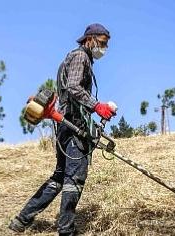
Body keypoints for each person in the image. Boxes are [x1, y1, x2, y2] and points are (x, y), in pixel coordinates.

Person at [9, 23, 117, 236]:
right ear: (89, 39)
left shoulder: (75, 58)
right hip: (73, 126)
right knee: (73, 179)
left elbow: (72, 93)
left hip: (66, 124)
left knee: (59, 177)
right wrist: (97, 105)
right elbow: (74, 87)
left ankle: (21, 220)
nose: (103, 48)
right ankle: (66, 230)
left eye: (106, 45)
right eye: (102, 43)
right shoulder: (80, 57)